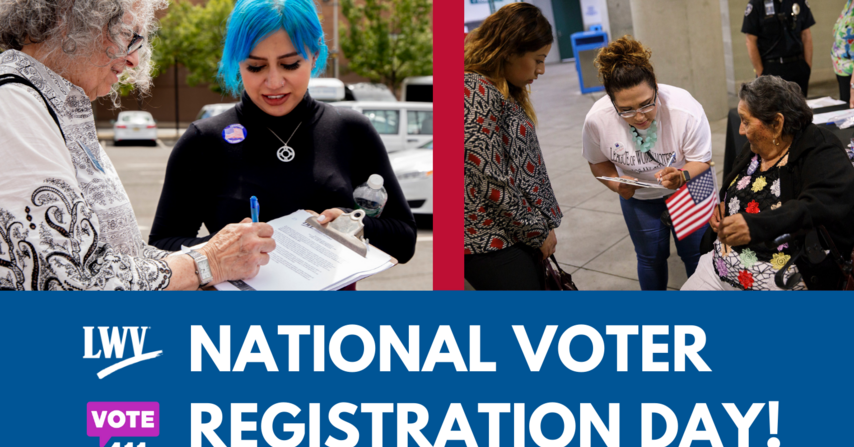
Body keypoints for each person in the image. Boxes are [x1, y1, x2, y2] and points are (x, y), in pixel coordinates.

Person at [0, 0, 274, 290]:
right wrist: (208, 262)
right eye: (127, 35)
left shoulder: (51, 105)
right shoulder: (14, 107)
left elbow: (123, 256)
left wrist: (222, 255)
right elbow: (71, 283)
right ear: (72, 19)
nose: (134, 60)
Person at [149, 0, 416, 269]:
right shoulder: (203, 140)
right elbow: (162, 246)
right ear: (236, 62)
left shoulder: (352, 130)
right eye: (256, 67)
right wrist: (219, 249)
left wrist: (352, 223)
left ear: (315, 54)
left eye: (289, 64)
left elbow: (404, 241)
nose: (274, 82)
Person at [682, 76, 854, 290]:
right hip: (719, 267)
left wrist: (757, 225)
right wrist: (725, 205)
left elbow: (816, 205)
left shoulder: (821, 149)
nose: (740, 130)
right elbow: (736, 185)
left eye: (746, 121)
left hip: (782, 277)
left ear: (776, 123)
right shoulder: (757, 147)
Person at [582, 36, 713, 291]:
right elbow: (597, 164)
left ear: (655, 86)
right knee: (650, 258)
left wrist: (682, 176)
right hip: (639, 198)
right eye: (627, 109)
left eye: (646, 104)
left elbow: (702, 159)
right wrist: (616, 185)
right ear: (611, 101)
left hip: (689, 187)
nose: (640, 116)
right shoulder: (597, 120)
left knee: (697, 256)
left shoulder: (684, 109)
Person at [463, 3, 561, 290]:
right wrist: (537, 230)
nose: (541, 70)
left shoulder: (496, 87)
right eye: (538, 59)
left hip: (513, 234)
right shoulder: (473, 89)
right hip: (493, 243)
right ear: (509, 50)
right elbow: (491, 181)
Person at [742, 0, 815, 97]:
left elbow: (806, 34)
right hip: (771, 69)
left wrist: (807, 67)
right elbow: (750, 40)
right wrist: (761, 72)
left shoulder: (799, 1)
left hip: (797, 66)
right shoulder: (756, 3)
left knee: (799, 109)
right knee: (773, 109)